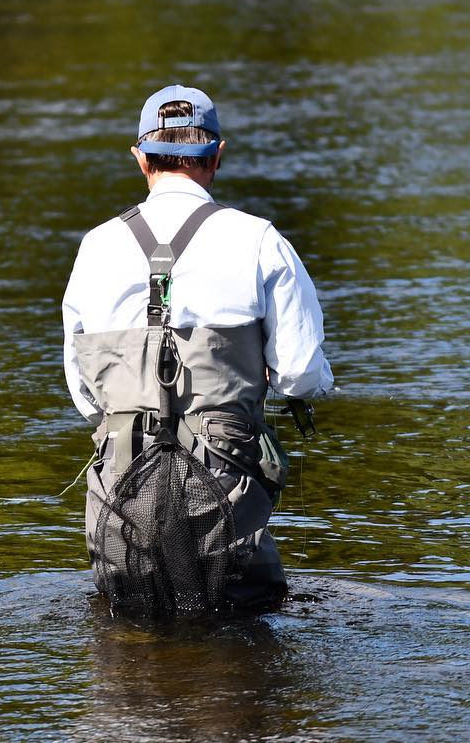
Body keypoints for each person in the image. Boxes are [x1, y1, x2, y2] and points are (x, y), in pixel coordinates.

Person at [62, 84, 333, 615]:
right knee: (243, 643)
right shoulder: (259, 240)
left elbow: (85, 394)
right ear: (217, 156)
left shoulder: (94, 247)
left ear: (141, 158)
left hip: (122, 496)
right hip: (226, 493)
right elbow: (300, 375)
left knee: (125, 645)